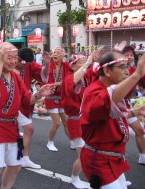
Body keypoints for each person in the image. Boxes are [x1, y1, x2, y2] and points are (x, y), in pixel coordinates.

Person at [0, 42, 55, 189]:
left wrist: (39, 94)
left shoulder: (15, 76)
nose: (13, 61)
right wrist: (0, 62)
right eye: (9, 57)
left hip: (12, 128)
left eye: (15, 58)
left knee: (16, 165)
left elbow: (27, 100)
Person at [80, 51, 145, 189]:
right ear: (107, 71)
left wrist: (135, 111)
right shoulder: (94, 92)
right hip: (99, 160)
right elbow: (105, 102)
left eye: (128, 67)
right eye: (122, 67)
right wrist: (137, 75)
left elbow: (109, 116)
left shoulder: (107, 89)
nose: (127, 71)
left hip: (114, 158)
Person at [61, 53, 94, 189]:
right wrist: (87, 64)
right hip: (76, 121)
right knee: (84, 155)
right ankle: (74, 178)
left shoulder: (86, 78)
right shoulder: (69, 78)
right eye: (80, 62)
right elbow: (73, 82)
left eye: (85, 62)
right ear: (72, 65)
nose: (84, 64)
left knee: (93, 153)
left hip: (88, 121)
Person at [14, 47, 50, 169]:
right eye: (24, 63)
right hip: (11, 101)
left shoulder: (29, 65)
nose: (26, 66)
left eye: (29, 64)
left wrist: (47, 63)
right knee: (28, 129)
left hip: (26, 99)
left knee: (25, 130)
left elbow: (43, 75)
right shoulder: (8, 65)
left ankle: (22, 157)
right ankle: (22, 157)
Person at [45, 47, 71, 151]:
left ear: (63, 55)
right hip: (51, 97)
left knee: (66, 121)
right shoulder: (48, 66)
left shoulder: (66, 66)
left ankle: (73, 141)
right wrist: (58, 83)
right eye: (54, 52)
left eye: (58, 53)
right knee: (57, 123)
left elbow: (69, 79)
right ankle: (50, 142)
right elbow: (46, 81)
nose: (55, 54)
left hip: (61, 97)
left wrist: (59, 84)